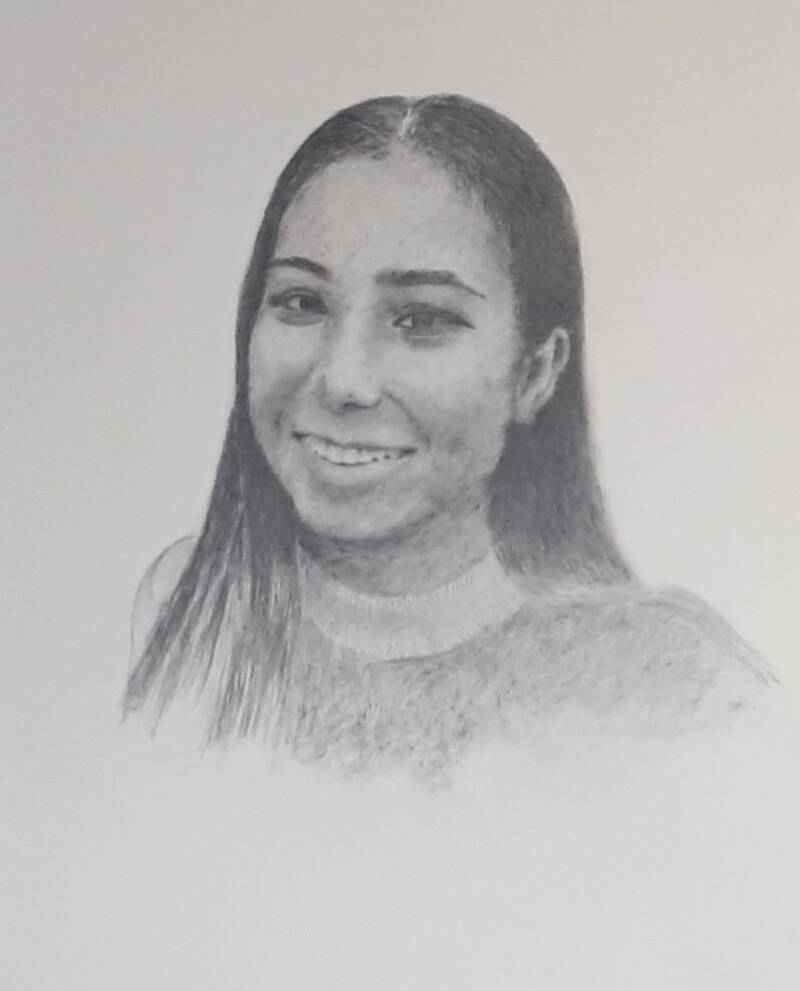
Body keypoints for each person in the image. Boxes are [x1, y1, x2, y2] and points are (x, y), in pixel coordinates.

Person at [125, 94, 773, 778]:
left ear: (535, 372)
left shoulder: (675, 681)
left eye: (423, 319)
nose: (343, 381)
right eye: (302, 302)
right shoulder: (189, 605)